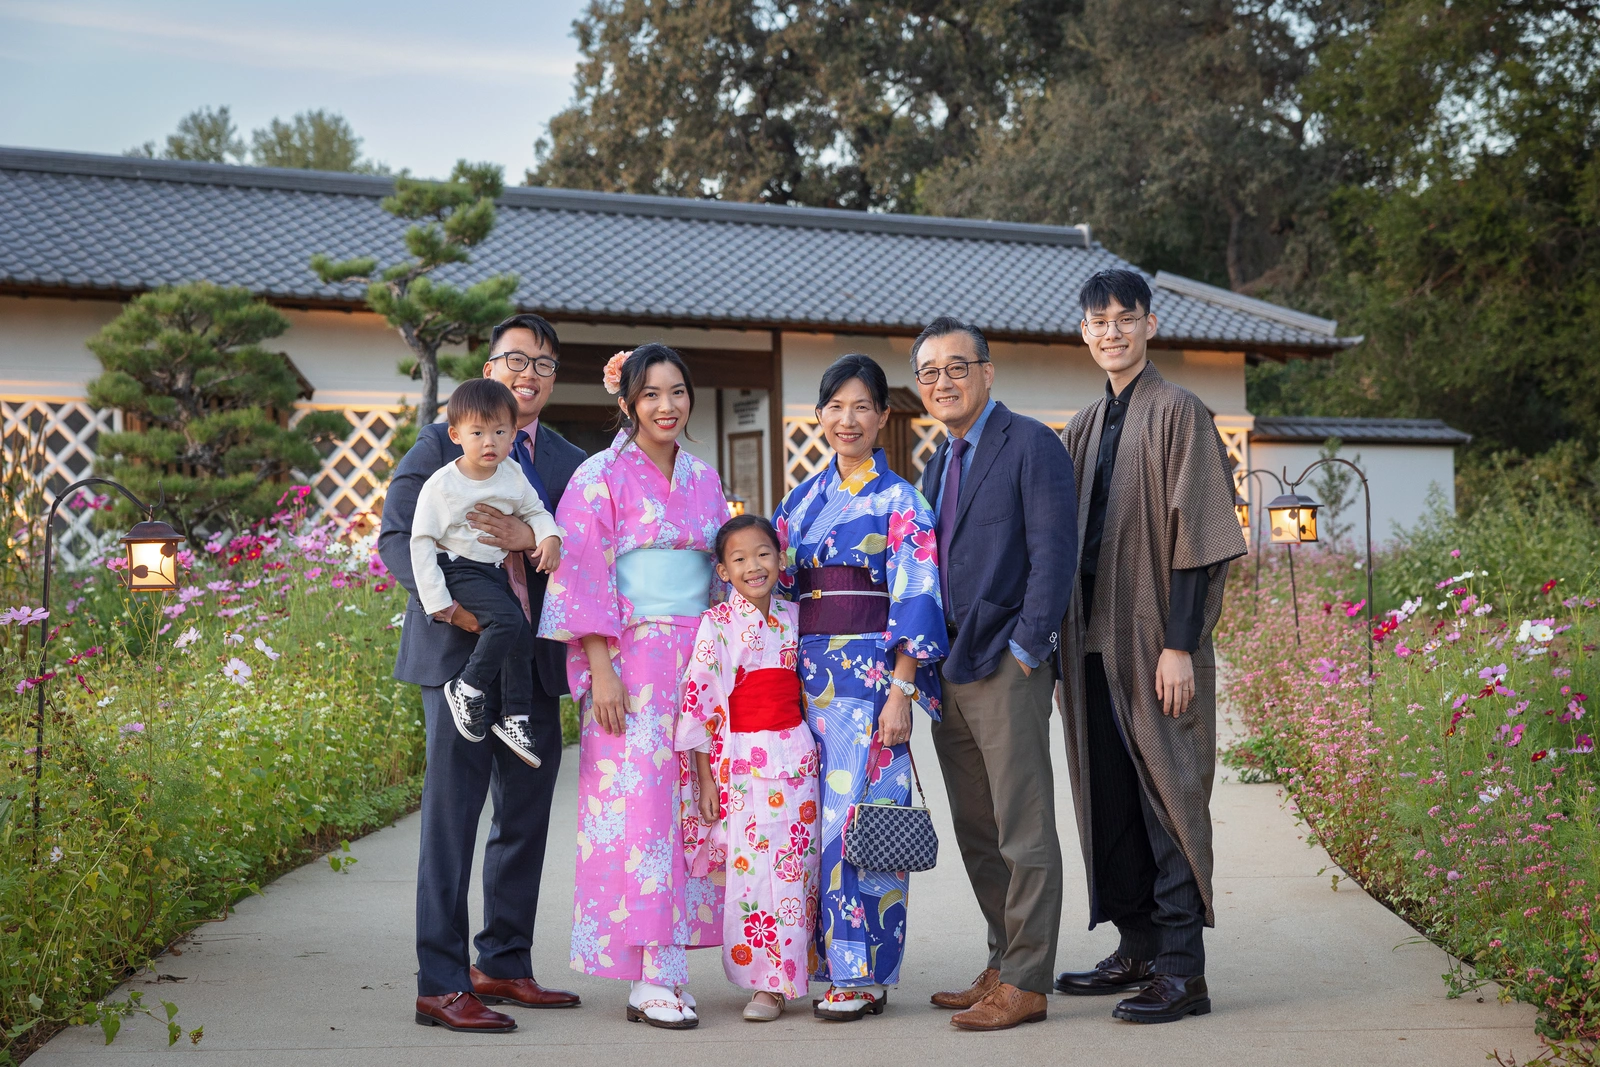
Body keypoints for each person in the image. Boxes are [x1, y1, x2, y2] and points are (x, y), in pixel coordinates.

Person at [380, 312, 584, 1034]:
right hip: (458, 657)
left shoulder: (563, 457)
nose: (529, 374)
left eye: (544, 365)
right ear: (489, 369)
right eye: (515, 359)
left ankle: (502, 959)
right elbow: (398, 537)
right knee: (452, 819)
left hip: (531, 663)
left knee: (526, 814)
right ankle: (439, 980)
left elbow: (582, 546)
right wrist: (454, 612)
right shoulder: (441, 442)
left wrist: (534, 537)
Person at [1054, 269, 1247, 1024]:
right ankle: (1136, 946)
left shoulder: (1180, 412)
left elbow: (1202, 538)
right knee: (1111, 798)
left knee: (1168, 791)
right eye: (1097, 320)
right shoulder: (1082, 425)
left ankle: (1180, 968)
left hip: (1154, 641)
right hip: (1090, 642)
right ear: (1083, 333)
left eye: (1124, 318)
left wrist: (1179, 644)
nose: (1111, 331)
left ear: (1149, 325)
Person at [538, 343, 729, 1030]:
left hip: (697, 657)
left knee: (690, 807)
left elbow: (720, 575)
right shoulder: (599, 477)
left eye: (678, 392)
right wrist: (602, 666)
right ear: (626, 402)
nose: (667, 406)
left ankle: (671, 963)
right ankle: (652, 974)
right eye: (651, 394)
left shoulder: (705, 479)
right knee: (642, 813)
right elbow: (584, 576)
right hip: (630, 659)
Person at [911, 316, 1078, 1031]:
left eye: (956, 367)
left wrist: (1027, 649)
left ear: (986, 371)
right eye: (929, 372)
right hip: (951, 664)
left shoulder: (1032, 444)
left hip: (1006, 662)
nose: (943, 382)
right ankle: (1003, 959)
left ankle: (1030, 978)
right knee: (978, 828)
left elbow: (1054, 555)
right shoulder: (938, 462)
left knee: (1023, 825)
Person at [772, 353, 947, 1022]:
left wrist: (903, 689)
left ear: (882, 417)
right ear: (819, 416)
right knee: (814, 823)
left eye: (861, 407)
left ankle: (864, 971)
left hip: (873, 678)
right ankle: (822, 959)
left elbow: (917, 596)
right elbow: (777, 585)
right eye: (835, 406)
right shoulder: (802, 499)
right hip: (808, 679)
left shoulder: (901, 500)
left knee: (863, 820)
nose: (847, 419)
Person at [674, 514, 821, 1022]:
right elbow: (700, 703)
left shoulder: (798, 616)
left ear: (781, 559)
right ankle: (765, 984)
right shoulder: (716, 624)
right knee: (753, 870)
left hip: (796, 750)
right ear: (722, 570)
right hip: (740, 758)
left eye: (763, 554)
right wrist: (705, 779)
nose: (753, 567)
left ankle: (802, 968)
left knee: (799, 867)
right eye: (738, 559)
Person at [409, 377, 562, 768]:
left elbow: (536, 511)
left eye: (499, 432)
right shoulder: (443, 485)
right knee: (509, 620)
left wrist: (548, 538)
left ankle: (515, 717)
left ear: (513, 433)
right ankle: (469, 687)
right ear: (457, 434)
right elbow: (420, 541)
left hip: (491, 571)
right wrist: (440, 603)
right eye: (477, 433)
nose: (489, 442)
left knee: (520, 635)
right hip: (457, 569)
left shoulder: (512, 474)